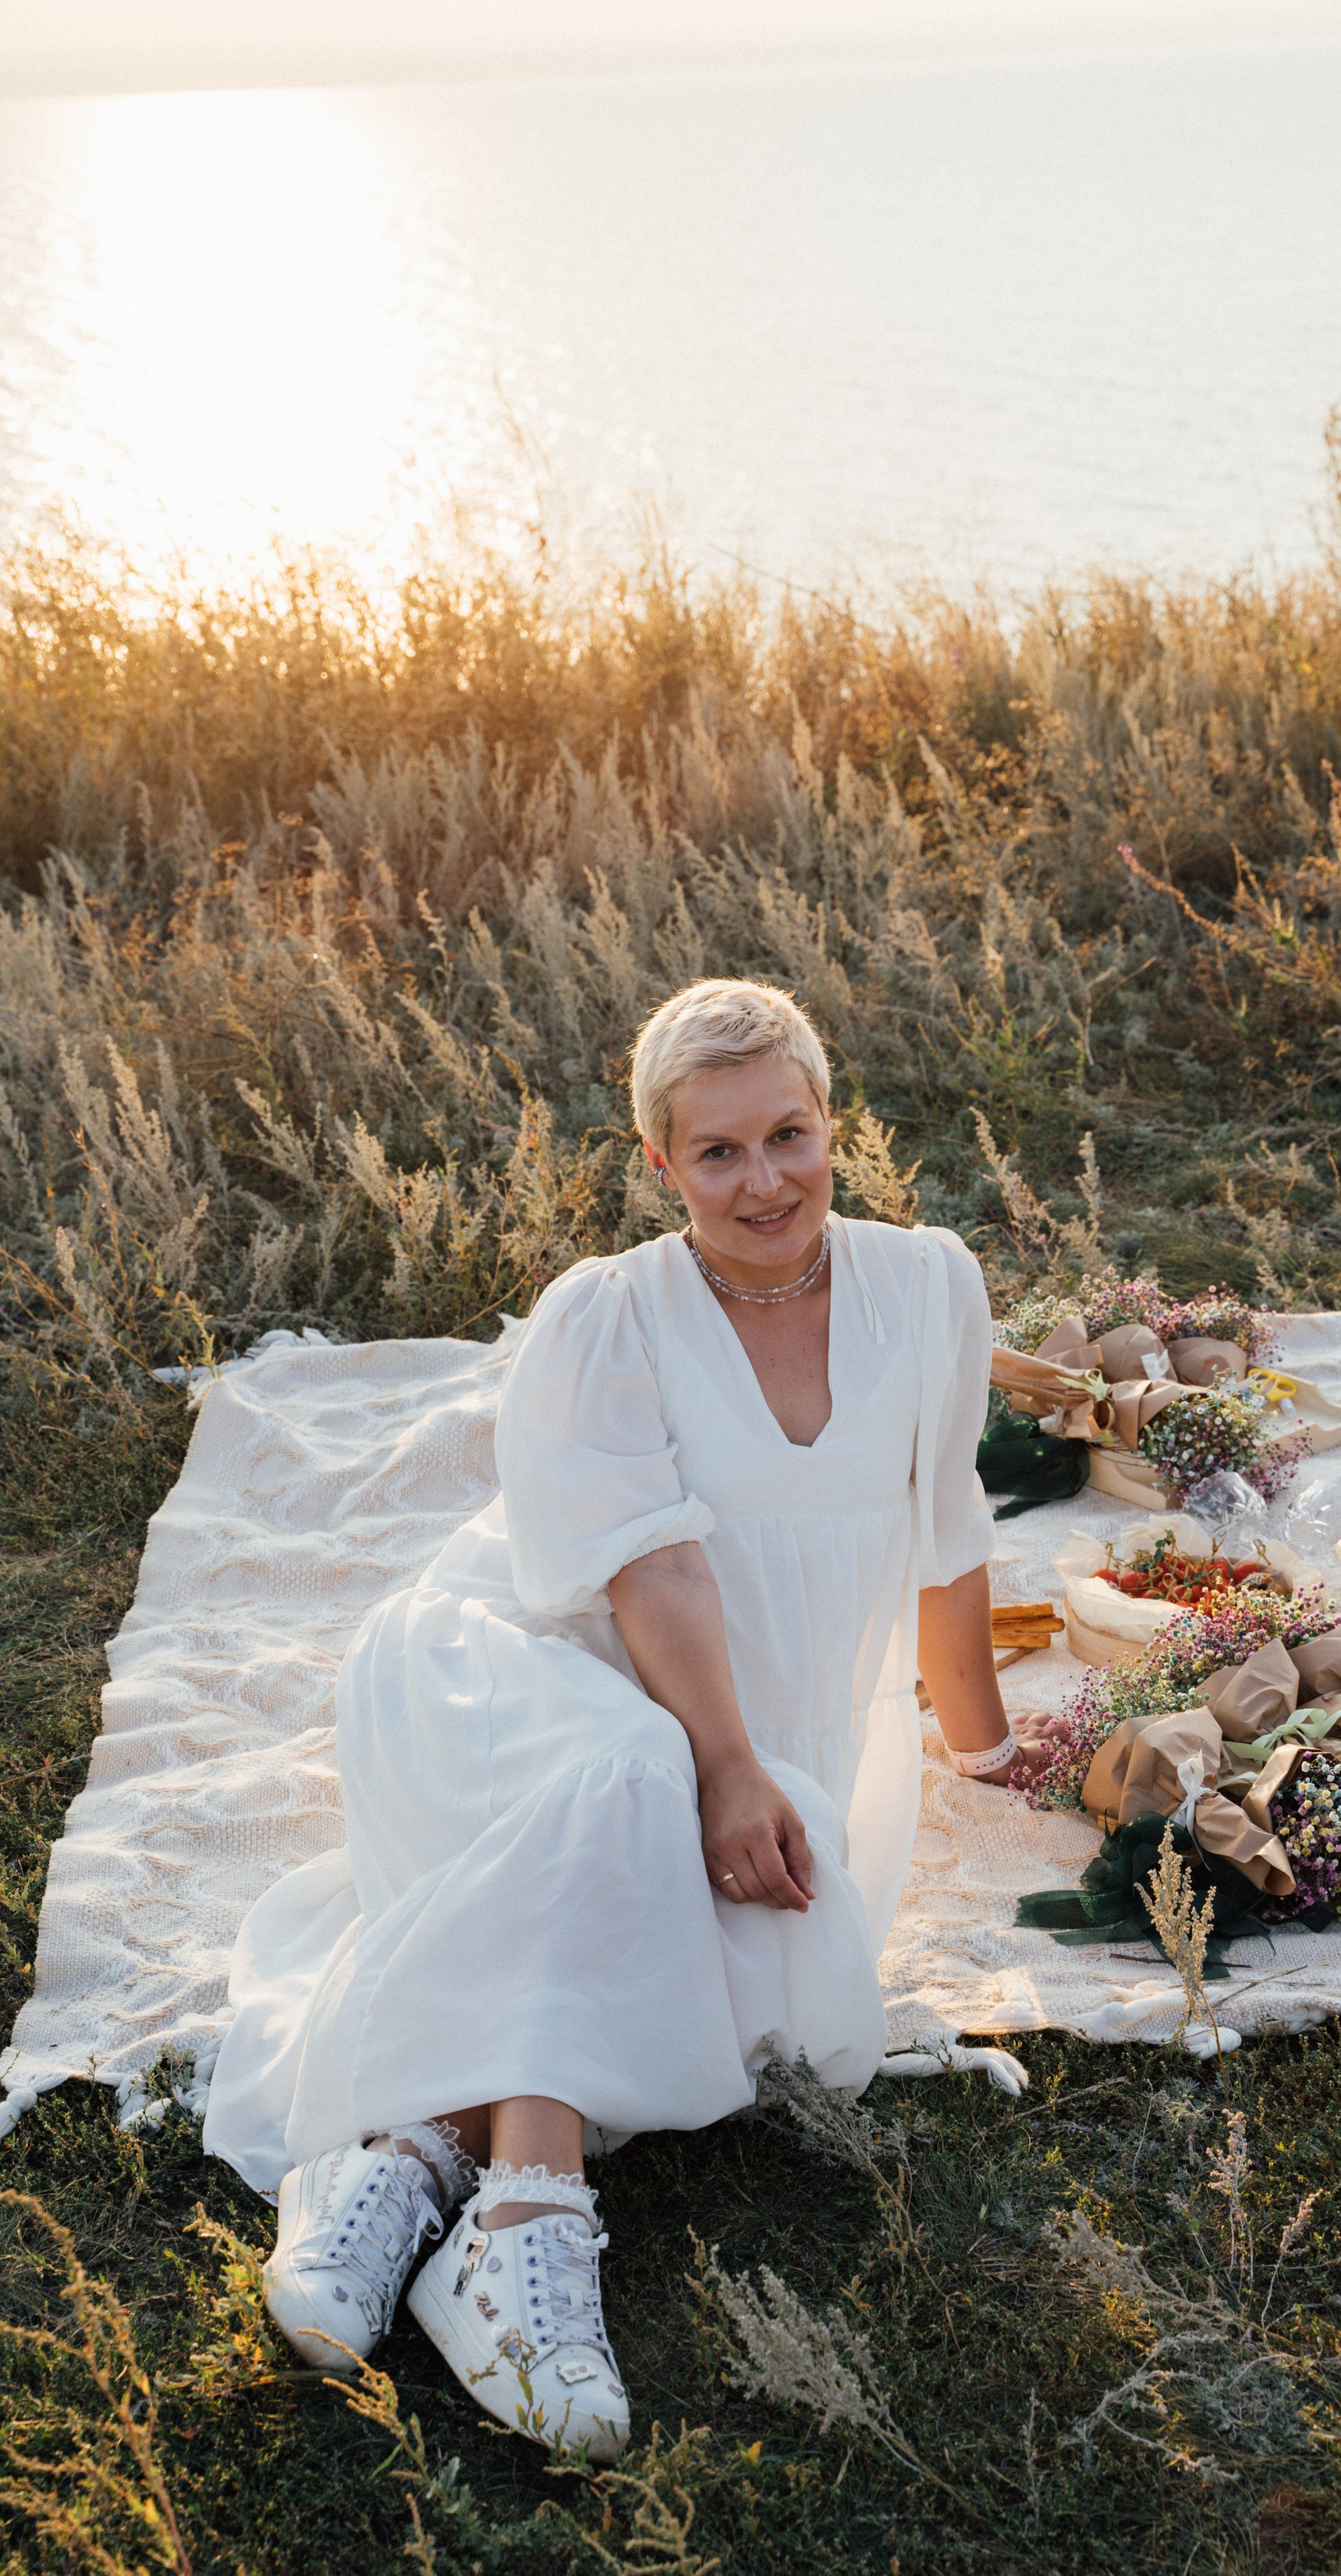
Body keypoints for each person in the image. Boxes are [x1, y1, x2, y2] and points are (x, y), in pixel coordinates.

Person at [204, 976, 1030, 2457]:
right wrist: (722, 1767)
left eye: (789, 1135)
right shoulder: (607, 1317)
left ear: (833, 1126)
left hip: (766, 1722)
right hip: (520, 1666)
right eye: (716, 1153)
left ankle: (395, 2153)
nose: (762, 1181)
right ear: (659, 1165)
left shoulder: (931, 1283)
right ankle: (523, 2222)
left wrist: (977, 1744)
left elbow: (949, 1525)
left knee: (758, 1991)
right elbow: (646, 1567)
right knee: (635, 1776)